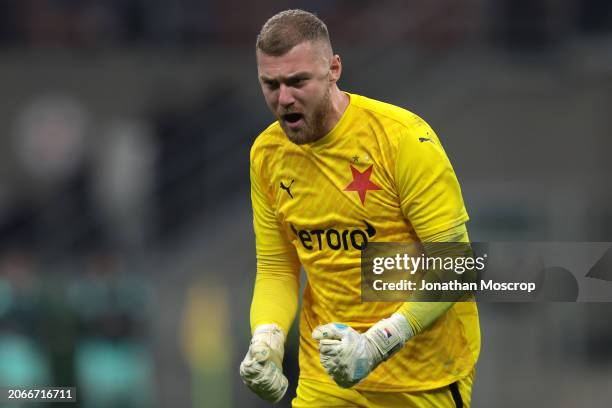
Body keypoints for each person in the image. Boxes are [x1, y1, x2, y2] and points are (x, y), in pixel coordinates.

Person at [239, 9, 480, 407]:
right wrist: (266, 339)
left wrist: (378, 343)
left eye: (298, 81)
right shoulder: (266, 155)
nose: (284, 99)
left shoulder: (401, 140)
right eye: (271, 84)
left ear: (334, 69)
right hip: (330, 377)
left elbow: (455, 266)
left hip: (422, 376)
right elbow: (278, 267)